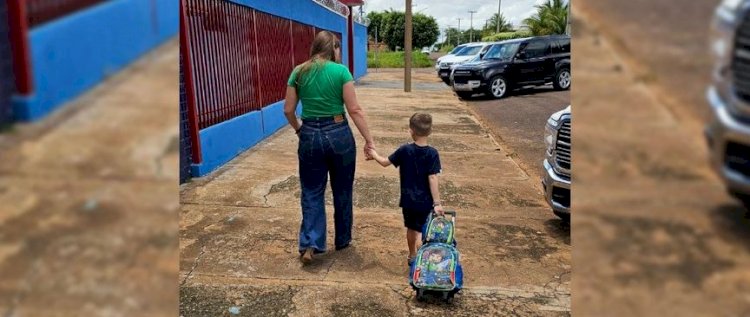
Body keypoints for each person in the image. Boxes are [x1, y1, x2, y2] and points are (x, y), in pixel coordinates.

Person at [283, 31, 375, 264]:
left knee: (312, 191)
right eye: (339, 48)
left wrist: (299, 130)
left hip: (310, 134)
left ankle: (310, 244)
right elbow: (354, 110)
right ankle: (342, 240)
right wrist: (369, 140)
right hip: (338, 133)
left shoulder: (298, 71)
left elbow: (288, 110)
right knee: (342, 189)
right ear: (333, 48)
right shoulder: (341, 71)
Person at [367, 113, 444, 266]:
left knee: (411, 228)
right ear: (430, 131)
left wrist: (373, 153)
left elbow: (384, 162)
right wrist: (437, 203)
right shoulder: (432, 153)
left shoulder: (405, 150)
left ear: (411, 130)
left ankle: (412, 255)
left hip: (408, 200)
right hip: (425, 201)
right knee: (422, 230)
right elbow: (433, 178)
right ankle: (423, 258)